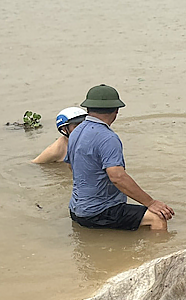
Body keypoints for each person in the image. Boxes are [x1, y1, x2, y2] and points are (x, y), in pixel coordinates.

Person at [67, 85, 174, 231]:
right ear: (116, 111)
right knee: (157, 218)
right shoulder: (108, 137)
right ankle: (160, 252)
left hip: (75, 210)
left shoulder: (76, 131)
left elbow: (71, 166)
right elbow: (117, 177)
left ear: (88, 109)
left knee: (136, 219)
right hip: (98, 212)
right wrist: (151, 202)